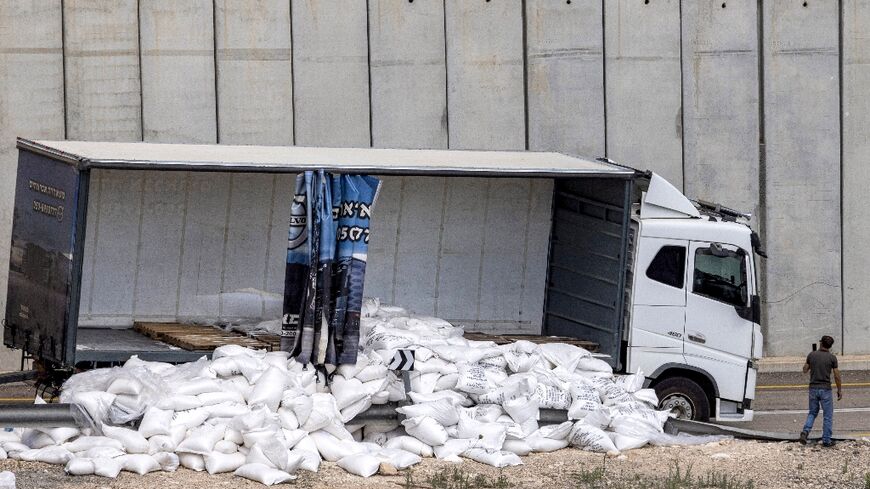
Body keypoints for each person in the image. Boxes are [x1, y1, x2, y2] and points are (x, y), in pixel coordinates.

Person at [799, 335, 842, 447]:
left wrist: (809, 360)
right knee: (827, 415)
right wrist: (839, 390)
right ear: (830, 346)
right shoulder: (832, 358)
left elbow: (804, 370)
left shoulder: (812, 355)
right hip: (826, 389)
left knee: (812, 412)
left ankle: (805, 432)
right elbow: (837, 376)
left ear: (821, 343)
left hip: (813, 388)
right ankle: (826, 440)